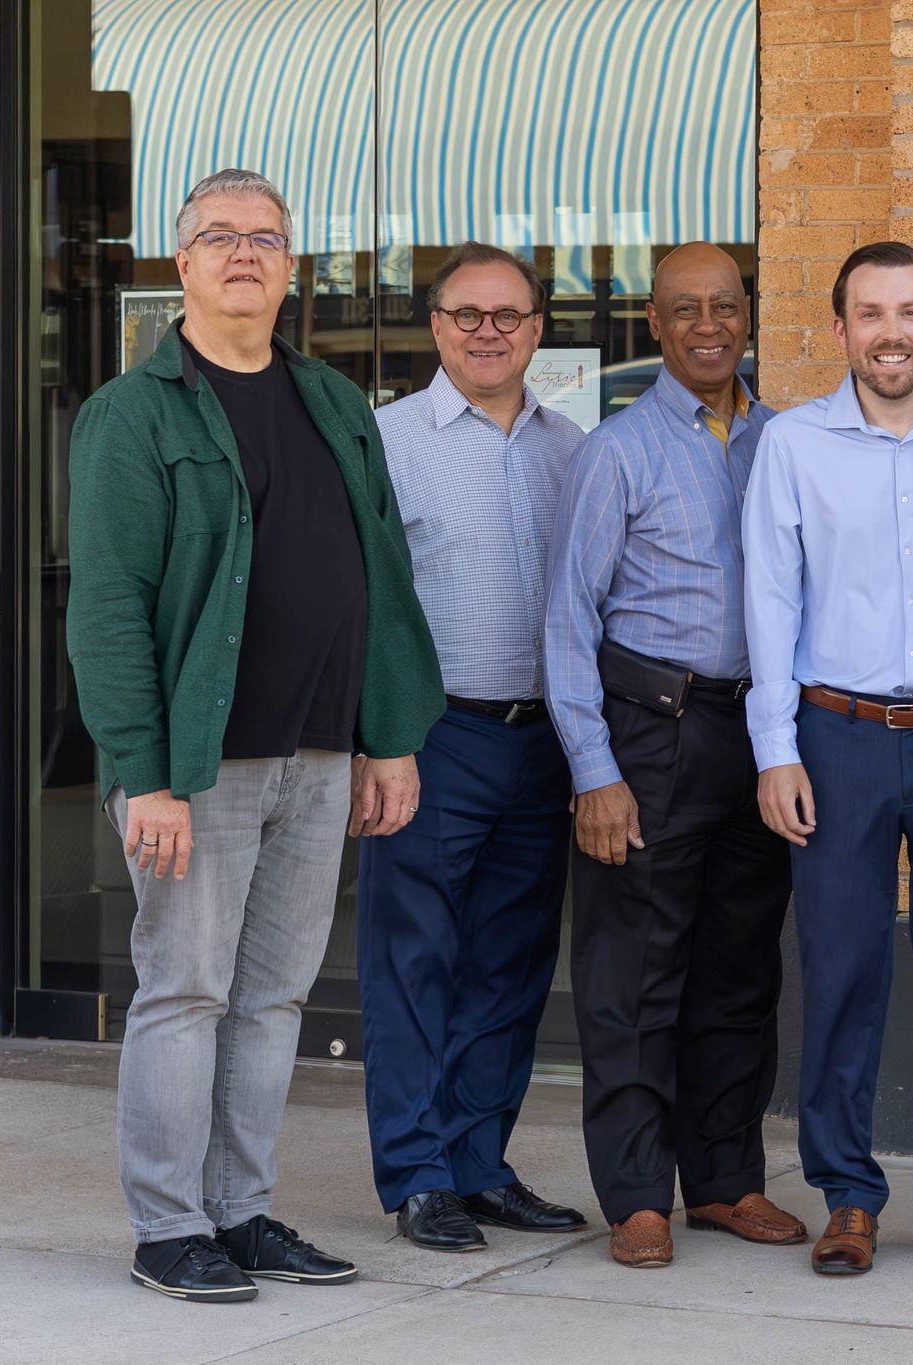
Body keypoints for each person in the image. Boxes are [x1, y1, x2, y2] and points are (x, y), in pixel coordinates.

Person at [66, 168, 443, 1302]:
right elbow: (108, 610)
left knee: (273, 997)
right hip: (200, 766)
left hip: (318, 754)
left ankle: (240, 1210)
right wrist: (146, 776)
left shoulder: (330, 402)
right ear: (180, 266)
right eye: (218, 237)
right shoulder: (133, 414)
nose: (243, 254)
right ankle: (168, 1224)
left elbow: (380, 576)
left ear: (290, 268)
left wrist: (389, 737)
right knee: (185, 990)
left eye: (264, 239)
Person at [743, 241, 913, 1277]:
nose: (890, 331)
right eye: (869, 313)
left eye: (909, 311)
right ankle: (846, 1194)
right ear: (839, 331)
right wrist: (774, 751)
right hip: (836, 737)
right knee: (841, 967)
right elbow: (768, 601)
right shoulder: (794, 445)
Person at [544, 242, 805, 1269]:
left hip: (763, 737)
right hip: (651, 731)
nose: (708, 324)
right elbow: (566, 620)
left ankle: (727, 1182)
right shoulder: (615, 450)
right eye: (684, 308)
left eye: (725, 306)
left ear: (750, 316)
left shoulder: (785, 441)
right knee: (635, 973)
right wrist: (593, 771)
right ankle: (638, 1193)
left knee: (739, 971)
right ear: (652, 323)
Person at [359, 243, 588, 1253]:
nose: (488, 330)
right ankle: (415, 1173)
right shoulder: (384, 442)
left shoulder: (571, 447)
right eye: (467, 314)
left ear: (538, 327)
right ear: (436, 326)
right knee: (416, 962)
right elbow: (360, 608)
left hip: (542, 743)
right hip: (431, 736)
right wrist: (379, 741)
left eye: (508, 314)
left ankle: (477, 1164)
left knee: (509, 965)